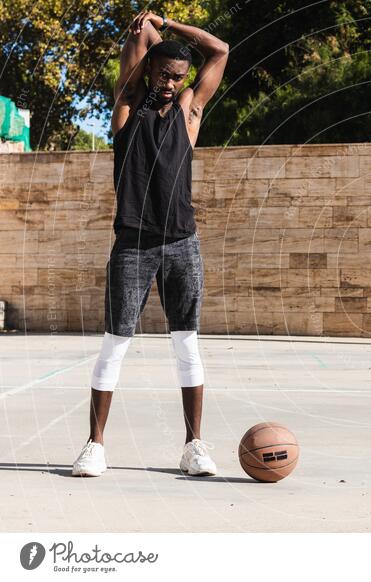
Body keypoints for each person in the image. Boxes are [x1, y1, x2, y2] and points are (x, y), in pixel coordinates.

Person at [72, 11, 229, 477]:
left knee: (187, 345)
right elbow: (140, 40)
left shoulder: (189, 112)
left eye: (178, 77)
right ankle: (94, 447)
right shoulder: (126, 108)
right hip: (133, 246)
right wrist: (150, 28)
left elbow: (219, 50)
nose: (170, 82)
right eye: (163, 73)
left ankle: (194, 446)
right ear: (150, 71)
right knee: (115, 344)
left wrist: (172, 24)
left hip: (183, 243)